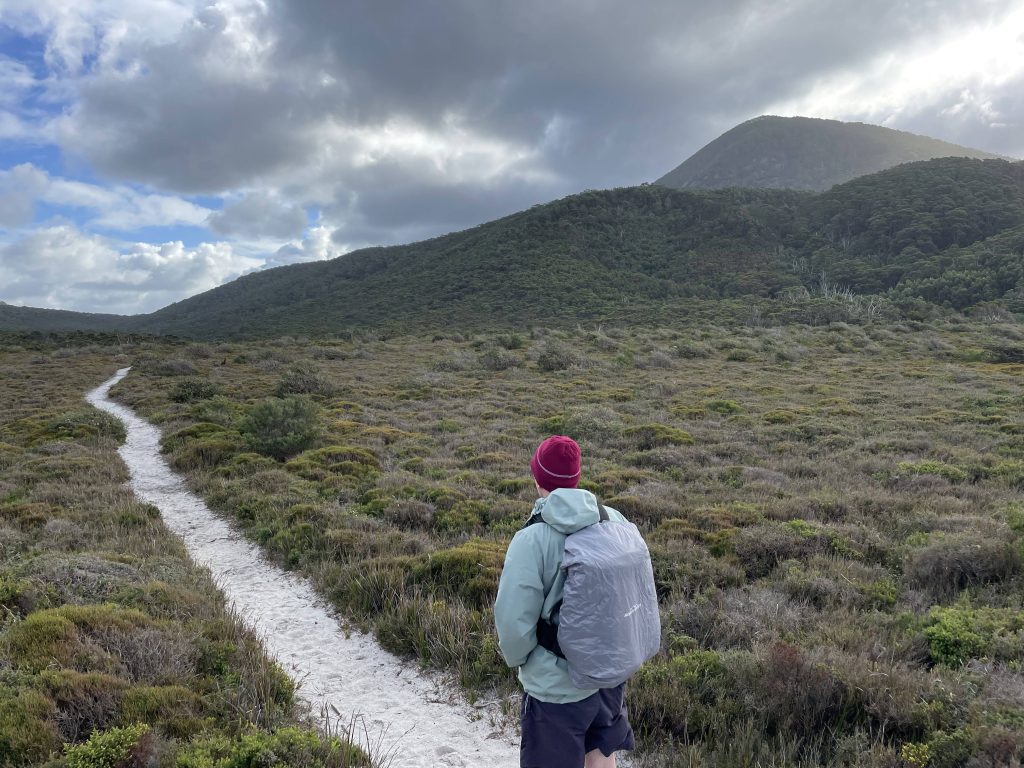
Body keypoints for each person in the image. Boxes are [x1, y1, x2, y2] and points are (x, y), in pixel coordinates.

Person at [494, 435, 636, 768]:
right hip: (608, 673)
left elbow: (513, 624)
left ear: (537, 479)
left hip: (556, 688)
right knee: (601, 754)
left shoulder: (532, 539)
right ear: (576, 477)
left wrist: (523, 661)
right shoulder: (614, 520)